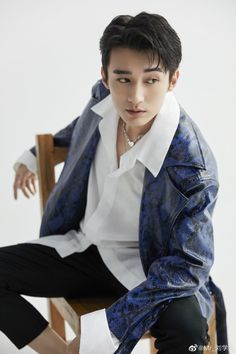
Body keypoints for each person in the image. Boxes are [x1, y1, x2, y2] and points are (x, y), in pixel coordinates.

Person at [1, 11, 228, 354]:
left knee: (187, 332)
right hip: (86, 247)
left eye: (151, 80)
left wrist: (106, 329)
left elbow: (188, 265)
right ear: (105, 78)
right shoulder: (103, 100)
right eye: (123, 79)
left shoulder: (193, 167)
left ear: (173, 79)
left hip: (153, 269)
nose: (135, 96)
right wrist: (36, 155)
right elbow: (82, 125)